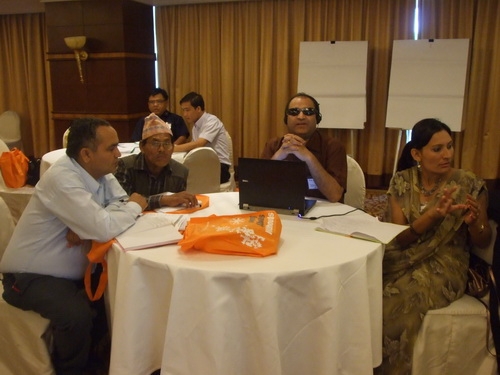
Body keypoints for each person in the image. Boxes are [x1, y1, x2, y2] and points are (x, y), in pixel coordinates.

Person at [0, 118, 148, 375]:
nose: (118, 154)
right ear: (87, 154)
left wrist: (92, 221)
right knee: (76, 317)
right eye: (111, 148)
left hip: (74, 273)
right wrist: (131, 207)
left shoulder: (100, 173)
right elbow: (107, 224)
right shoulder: (63, 178)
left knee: (121, 295)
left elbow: (117, 206)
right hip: (30, 277)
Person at [380, 118, 492, 374]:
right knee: (365, 291)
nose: (447, 154)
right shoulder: (403, 181)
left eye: (450, 146)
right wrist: (432, 216)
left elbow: (484, 239)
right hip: (402, 258)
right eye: (437, 149)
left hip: (445, 264)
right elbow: (399, 238)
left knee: (397, 308)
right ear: (417, 154)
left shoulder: (468, 183)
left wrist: (475, 224)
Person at [261, 92, 347, 202]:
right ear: (286, 119)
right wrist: (278, 158)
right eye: (294, 112)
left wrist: (309, 157)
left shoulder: (333, 147)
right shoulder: (274, 145)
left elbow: (335, 195)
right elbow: (259, 189)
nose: (301, 117)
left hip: (323, 211)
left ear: (317, 118)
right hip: (283, 209)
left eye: (308, 112)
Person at [115, 113, 198, 209]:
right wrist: (163, 200)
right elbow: (121, 203)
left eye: (167, 143)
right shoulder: (126, 166)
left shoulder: (180, 171)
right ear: (142, 147)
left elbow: (178, 207)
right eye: (155, 143)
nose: (162, 149)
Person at [174, 91, 231, 184]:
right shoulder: (195, 126)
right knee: (177, 171)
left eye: (187, 110)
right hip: (204, 164)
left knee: (183, 179)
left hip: (219, 167)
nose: (184, 114)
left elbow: (199, 144)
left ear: (198, 108)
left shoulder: (212, 121)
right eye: (183, 110)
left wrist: (173, 148)